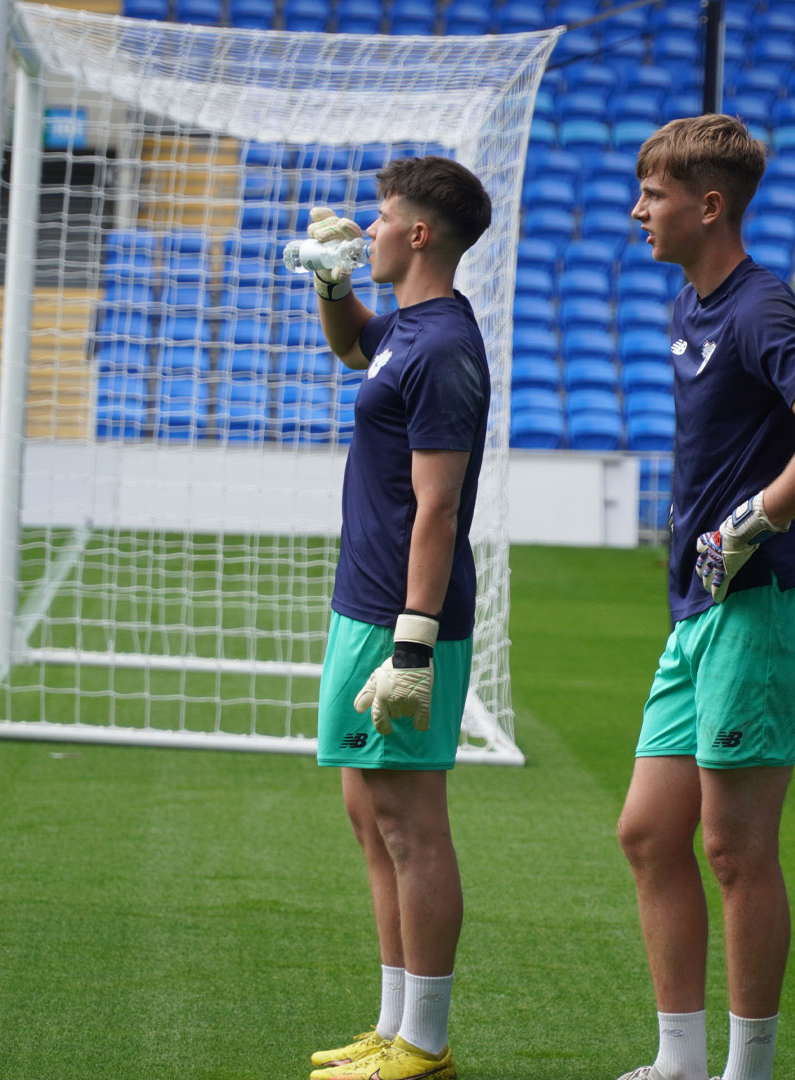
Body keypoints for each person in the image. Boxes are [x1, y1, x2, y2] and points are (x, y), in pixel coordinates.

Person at [614, 114, 795, 1080]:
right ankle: (679, 1061)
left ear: (708, 205)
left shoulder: (759, 307)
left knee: (732, 848)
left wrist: (754, 520)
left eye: (655, 194)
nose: (639, 210)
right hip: (702, 616)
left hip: (765, 609)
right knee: (647, 832)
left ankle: (747, 1070)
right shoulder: (692, 307)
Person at [303, 155, 493, 1080]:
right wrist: (334, 282)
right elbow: (353, 350)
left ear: (419, 234)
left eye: (378, 221)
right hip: (363, 599)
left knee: (412, 823)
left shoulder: (445, 345)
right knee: (370, 815)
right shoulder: (405, 330)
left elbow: (440, 508)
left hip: (403, 614)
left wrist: (413, 642)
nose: (367, 228)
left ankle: (426, 1041)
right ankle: (393, 1023)